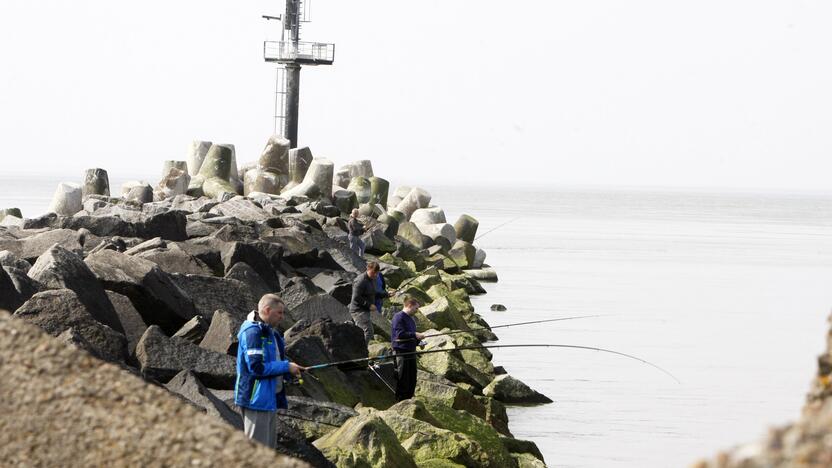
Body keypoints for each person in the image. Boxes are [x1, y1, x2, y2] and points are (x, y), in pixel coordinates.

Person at [235, 294, 305, 448]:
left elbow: (275, 361)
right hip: (255, 400)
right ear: (267, 310)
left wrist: (288, 371)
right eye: (279, 313)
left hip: (268, 398)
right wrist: (286, 367)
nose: (282, 317)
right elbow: (256, 368)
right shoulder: (252, 333)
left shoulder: (271, 332)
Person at [391, 297, 425, 401]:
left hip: (411, 351)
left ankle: (409, 399)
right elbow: (399, 334)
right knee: (403, 377)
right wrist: (415, 334)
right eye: (416, 308)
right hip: (401, 351)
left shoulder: (411, 319)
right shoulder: (398, 317)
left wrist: (419, 342)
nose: (417, 311)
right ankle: (400, 399)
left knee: (412, 378)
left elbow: (411, 336)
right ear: (409, 306)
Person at [349, 261, 388, 346]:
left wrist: (387, 294)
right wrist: (369, 305)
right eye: (373, 273)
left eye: (377, 273)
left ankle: (360, 349)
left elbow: (374, 293)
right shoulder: (360, 280)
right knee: (368, 331)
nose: (375, 275)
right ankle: (361, 351)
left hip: (365, 310)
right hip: (358, 311)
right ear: (368, 269)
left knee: (363, 331)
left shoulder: (373, 279)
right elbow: (356, 297)